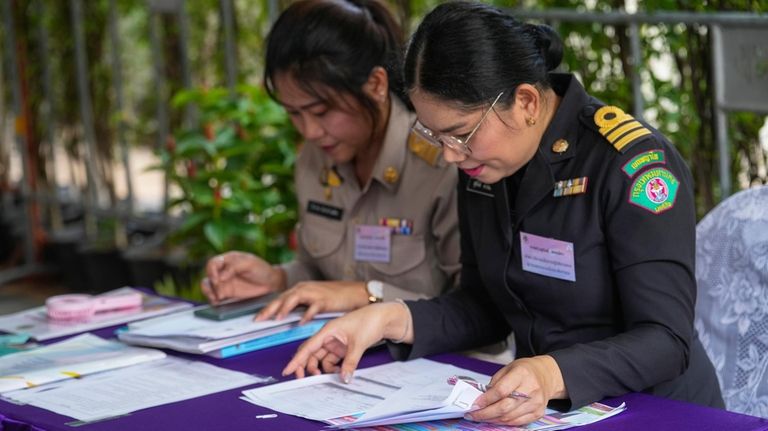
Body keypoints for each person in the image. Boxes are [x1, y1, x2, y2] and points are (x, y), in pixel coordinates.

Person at [283, 1, 724, 426]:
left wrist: (550, 374)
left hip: (657, 411)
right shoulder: (483, 165)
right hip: (546, 411)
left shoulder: (631, 166)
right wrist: (392, 318)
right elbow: (485, 307)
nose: (450, 155)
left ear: (527, 102)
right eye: (436, 136)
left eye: (460, 133)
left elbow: (666, 340)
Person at [201, 0, 460, 323]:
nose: (309, 131)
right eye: (294, 113)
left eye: (323, 111)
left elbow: (474, 310)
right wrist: (277, 279)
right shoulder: (314, 160)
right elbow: (319, 272)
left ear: (376, 85)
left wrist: (367, 294)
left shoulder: (442, 162)